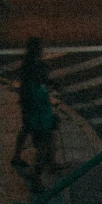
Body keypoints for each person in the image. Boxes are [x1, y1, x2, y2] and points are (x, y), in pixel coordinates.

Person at [11, 37, 59, 187]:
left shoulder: (28, 69)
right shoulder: (37, 72)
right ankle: (38, 175)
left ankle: (20, 157)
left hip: (36, 113)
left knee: (36, 136)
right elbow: (43, 82)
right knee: (43, 145)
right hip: (39, 115)